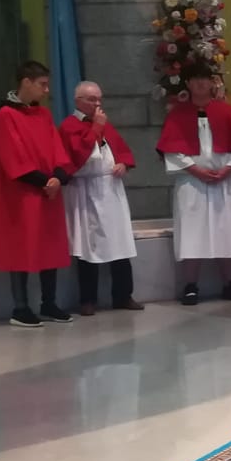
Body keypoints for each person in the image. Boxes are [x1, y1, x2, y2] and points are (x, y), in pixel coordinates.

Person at [156, 60, 231, 305]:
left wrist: (227, 169)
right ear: (188, 83)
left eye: (205, 78)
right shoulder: (178, 115)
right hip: (192, 183)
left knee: (229, 232)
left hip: (225, 181)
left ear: (212, 82)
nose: (201, 83)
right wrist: (196, 170)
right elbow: (172, 151)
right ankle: (190, 286)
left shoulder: (227, 112)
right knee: (192, 233)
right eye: (195, 79)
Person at [0, 61, 72, 328]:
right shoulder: (6, 115)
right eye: (42, 84)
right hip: (22, 194)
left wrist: (57, 177)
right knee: (21, 247)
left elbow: (57, 150)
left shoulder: (43, 115)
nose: (46, 90)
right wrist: (45, 181)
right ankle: (20, 307)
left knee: (50, 246)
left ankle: (49, 303)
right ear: (26, 82)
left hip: (48, 192)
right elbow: (13, 157)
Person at [59, 81, 143, 316]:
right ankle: (88, 299)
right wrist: (96, 128)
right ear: (78, 101)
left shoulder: (104, 124)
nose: (97, 103)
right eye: (91, 99)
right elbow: (79, 155)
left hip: (111, 189)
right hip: (86, 189)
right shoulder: (69, 126)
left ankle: (123, 295)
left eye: (99, 99)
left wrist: (123, 164)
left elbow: (121, 150)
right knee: (89, 246)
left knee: (120, 242)